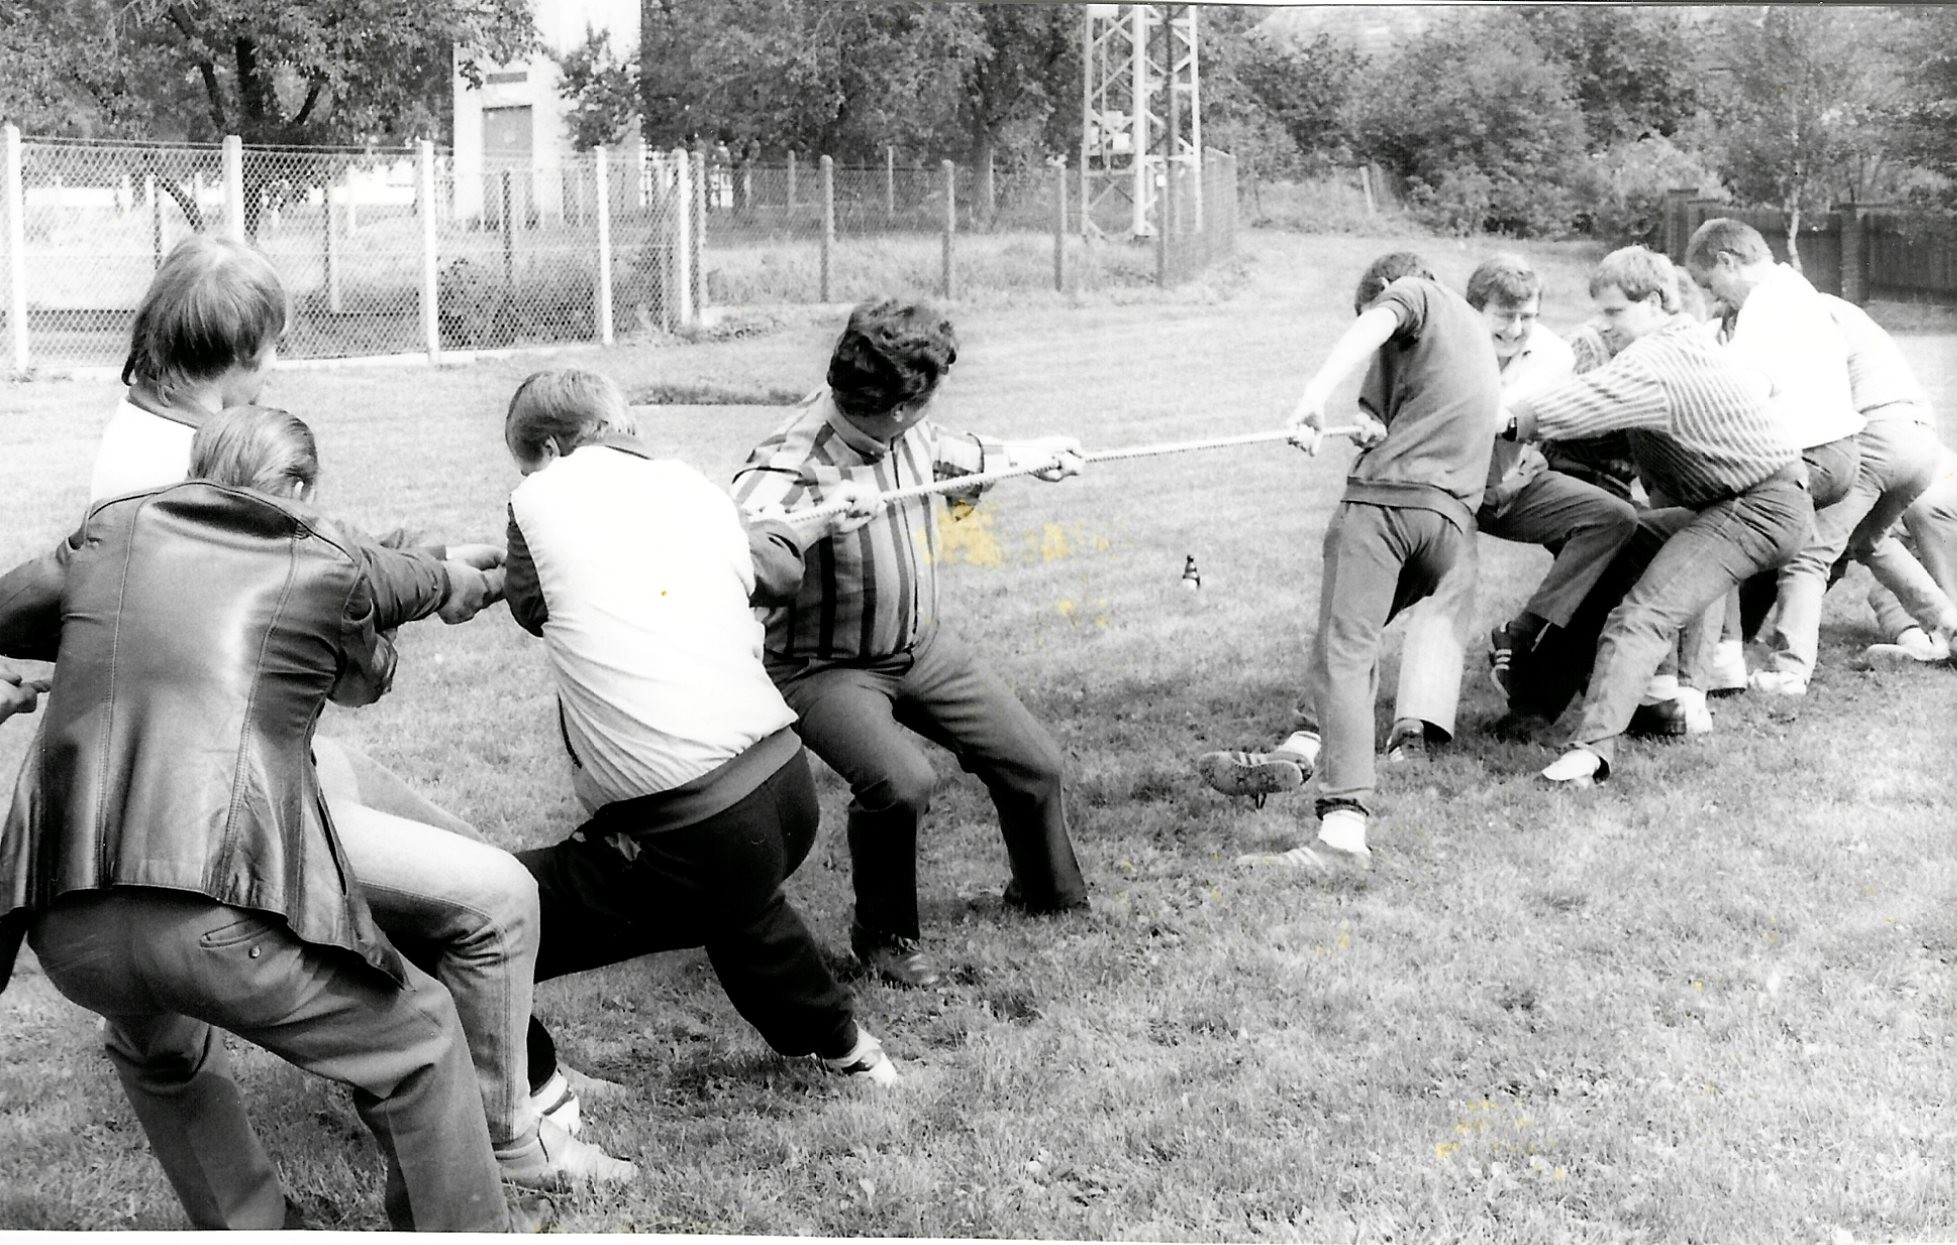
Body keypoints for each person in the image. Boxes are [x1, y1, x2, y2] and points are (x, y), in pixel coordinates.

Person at [78, 234, 633, 1187]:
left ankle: (523, 1069)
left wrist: (424, 562)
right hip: (222, 799)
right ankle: (513, 1134)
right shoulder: (161, 472)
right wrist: (437, 579)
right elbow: (310, 578)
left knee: (462, 868)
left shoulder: (162, 430)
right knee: (486, 898)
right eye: (271, 346)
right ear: (240, 349)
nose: (275, 365)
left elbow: (311, 550)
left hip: (235, 761)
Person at [0, 407, 519, 1230]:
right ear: (302, 487)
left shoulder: (110, 532)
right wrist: (470, 580)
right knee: (419, 1037)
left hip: (68, 921)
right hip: (216, 911)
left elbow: (10, 610)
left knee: (156, 1047)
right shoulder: (324, 560)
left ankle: (252, 1227)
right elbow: (386, 637)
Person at [497, 368, 902, 1087]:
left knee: (479, 917)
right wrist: (812, 524)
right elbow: (773, 568)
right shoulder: (691, 485)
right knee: (736, 908)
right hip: (785, 790)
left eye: (527, 463)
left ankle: (536, 1087)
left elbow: (530, 607)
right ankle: (851, 1053)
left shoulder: (535, 499)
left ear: (551, 450)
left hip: (696, 828)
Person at [730, 297, 1090, 988]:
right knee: (900, 783)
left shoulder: (909, 433)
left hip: (921, 647)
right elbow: (737, 541)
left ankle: (1047, 891)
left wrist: (1034, 456)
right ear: (898, 407)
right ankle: (884, 937)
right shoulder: (791, 459)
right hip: (822, 667)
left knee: (1033, 761)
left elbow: (961, 454)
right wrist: (812, 521)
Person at [1199, 251, 1502, 870]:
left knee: (1344, 651)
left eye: (1376, 311)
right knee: (1344, 645)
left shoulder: (1412, 293)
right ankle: (1303, 746)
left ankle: (1341, 835)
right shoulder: (1468, 329)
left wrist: (1313, 397)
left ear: (1389, 289)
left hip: (1386, 510)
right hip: (1445, 529)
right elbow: (1398, 414)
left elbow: (1374, 326)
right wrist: (1367, 424)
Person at [1497, 246, 1811, 786]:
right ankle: (1533, 706)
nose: (1605, 325)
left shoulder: (1660, 358)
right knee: (1613, 552)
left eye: (1615, 312)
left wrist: (1506, 419)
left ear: (1657, 301)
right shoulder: (1671, 344)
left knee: (1641, 615)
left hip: (1759, 507)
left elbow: (1588, 400)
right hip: (1735, 503)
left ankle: (1590, 753)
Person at [1387, 255, 1637, 762]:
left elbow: (1501, 415)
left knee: (1613, 518)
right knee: (1448, 581)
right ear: (1473, 309)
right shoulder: (1437, 343)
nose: (1518, 328)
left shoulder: (1553, 353)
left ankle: (1522, 632)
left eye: (1528, 316)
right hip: (1442, 489)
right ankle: (1418, 725)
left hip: (1510, 482)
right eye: (1505, 316)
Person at [1682, 218, 1865, 694]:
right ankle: (1733, 645)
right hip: (1834, 450)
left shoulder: (1768, 304)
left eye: (1711, 285)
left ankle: (1722, 655)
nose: (1716, 299)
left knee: (1710, 519)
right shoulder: (1792, 290)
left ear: (1727, 261)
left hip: (1811, 452)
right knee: (1762, 535)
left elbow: (1745, 392)